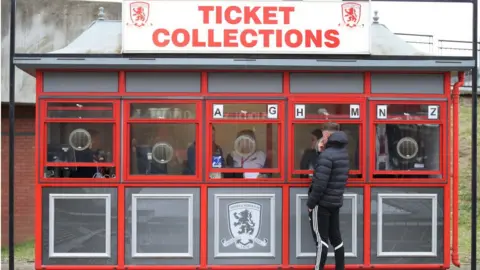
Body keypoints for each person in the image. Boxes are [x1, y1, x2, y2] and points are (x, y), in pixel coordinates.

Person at [306, 122, 349, 270]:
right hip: (335, 202)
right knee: (336, 239)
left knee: (321, 241)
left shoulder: (327, 155)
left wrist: (311, 204)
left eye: (323, 136)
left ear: (329, 135)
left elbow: (319, 184)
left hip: (322, 204)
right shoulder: (342, 152)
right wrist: (321, 152)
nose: (322, 139)